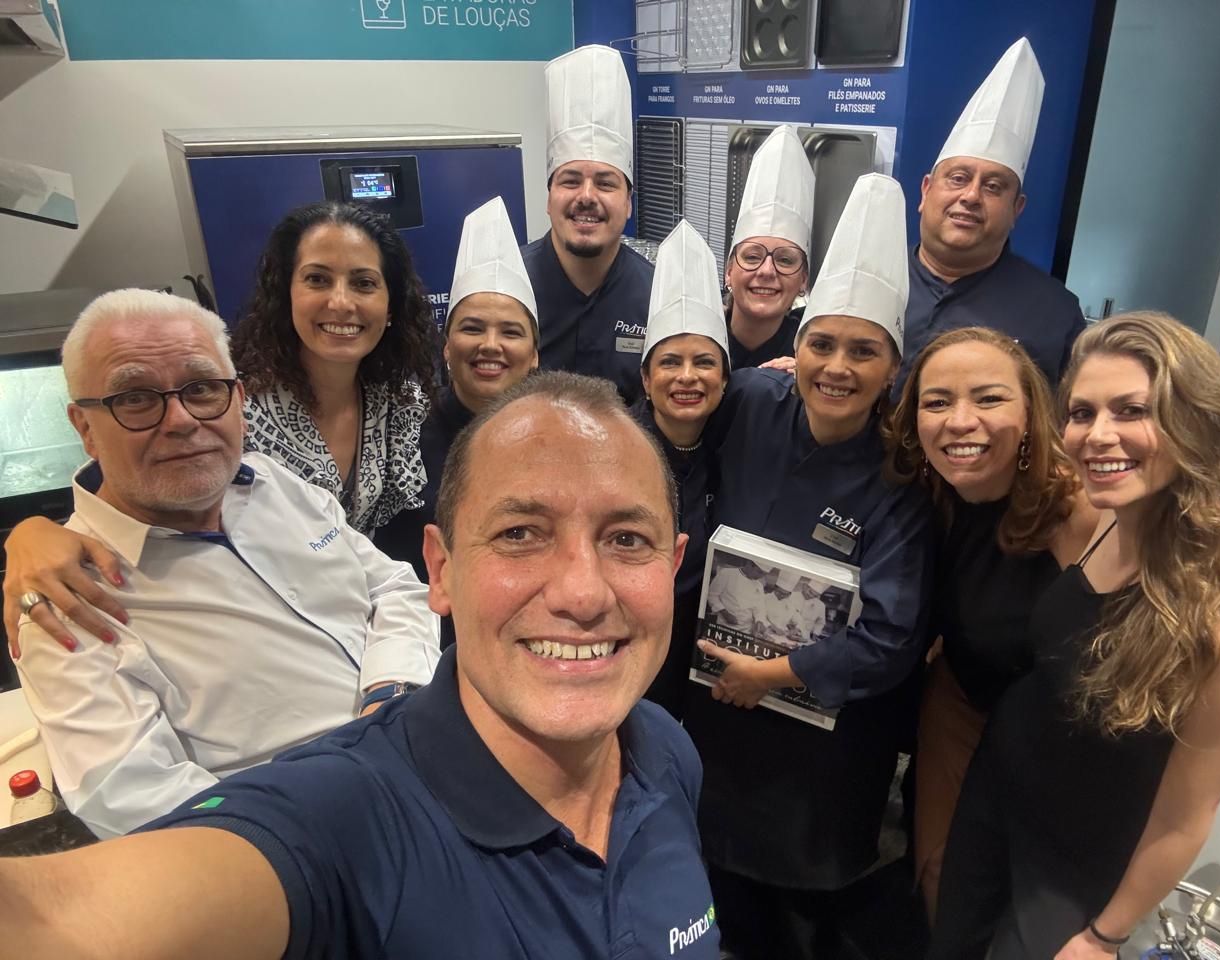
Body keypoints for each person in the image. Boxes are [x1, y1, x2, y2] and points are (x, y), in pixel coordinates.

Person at [0, 372, 720, 960]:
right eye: (520, 533)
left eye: (627, 538)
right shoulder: (348, 823)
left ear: (674, 565)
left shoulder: (662, 748)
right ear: (441, 570)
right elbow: (59, 919)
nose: (583, 592)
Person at [12, 289, 440, 838]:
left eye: (202, 389)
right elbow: (134, 797)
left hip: (421, 749)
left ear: (237, 398)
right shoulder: (66, 596)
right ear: (85, 427)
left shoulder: (272, 483)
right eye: (137, 398)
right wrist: (344, 812)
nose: (182, 420)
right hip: (310, 844)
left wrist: (392, 691)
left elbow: (397, 589)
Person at [930, 312, 1220, 959]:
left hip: (1080, 867)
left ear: (1194, 423)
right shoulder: (1111, 517)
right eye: (1083, 413)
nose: (1098, 435)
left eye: (1131, 410)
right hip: (998, 795)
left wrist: (1104, 935)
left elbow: (1184, 818)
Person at [683, 173, 935, 960]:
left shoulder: (902, 473)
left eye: (864, 351)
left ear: (894, 367)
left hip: (824, 751)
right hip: (719, 715)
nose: (837, 366)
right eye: (822, 343)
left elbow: (892, 639)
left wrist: (775, 673)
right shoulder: (751, 404)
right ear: (798, 344)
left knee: (797, 921)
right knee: (711, 890)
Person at [884, 326, 1099, 921]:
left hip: (1062, 741)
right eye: (937, 401)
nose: (959, 421)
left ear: (1032, 410)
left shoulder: (1078, 506)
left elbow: (1199, 582)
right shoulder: (935, 488)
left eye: (988, 398)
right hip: (963, 704)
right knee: (942, 882)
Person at [231, 201, 440, 547]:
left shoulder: (399, 402)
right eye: (317, 279)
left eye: (363, 283)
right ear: (286, 295)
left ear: (391, 307)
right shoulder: (233, 406)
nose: (341, 302)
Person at [899, 37, 1085, 391]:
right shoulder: (871, 280)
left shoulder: (1055, 313)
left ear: (1017, 209)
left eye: (994, 186)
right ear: (925, 190)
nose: (970, 196)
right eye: (958, 178)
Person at [373, 196, 540, 584]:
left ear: (534, 354)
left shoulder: (554, 438)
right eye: (472, 328)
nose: (490, 345)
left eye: (511, 332)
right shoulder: (401, 435)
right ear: (447, 345)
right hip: (421, 632)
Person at [631, 219, 730, 719]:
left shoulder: (733, 445)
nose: (687, 377)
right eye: (670, 362)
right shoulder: (617, 452)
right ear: (646, 379)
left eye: (705, 363)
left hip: (703, 649)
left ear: (725, 379)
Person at [523, 44, 653, 403]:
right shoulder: (508, 287)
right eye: (570, 180)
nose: (587, 196)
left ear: (628, 204)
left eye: (606, 183)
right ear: (548, 199)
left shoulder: (658, 297)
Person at [723, 124, 814, 368]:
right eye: (752, 257)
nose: (766, 271)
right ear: (729, 271)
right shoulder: (699, 341)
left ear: (803, 280)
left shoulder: (813, 358)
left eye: (785, 260)